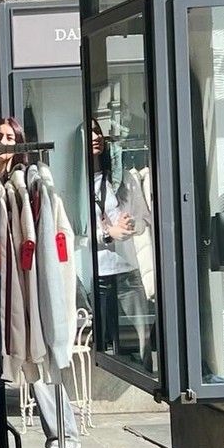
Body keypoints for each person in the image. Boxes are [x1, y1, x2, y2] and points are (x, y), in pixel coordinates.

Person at [0, 117, 81, 448]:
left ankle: (63, 434)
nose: (3, 142)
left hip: (27, 279)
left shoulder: (29, 186)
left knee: (37, 355)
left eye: (10, 137)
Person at [89, 118, 152, 369]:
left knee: (142, 337)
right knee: (99, 344)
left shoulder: (123, 178)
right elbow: (75, 232)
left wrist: (131, 225)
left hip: (127, 268)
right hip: (97, 271)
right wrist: (107, 234)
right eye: (89, 132)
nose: (96, 136)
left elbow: (144, 218)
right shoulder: (78, 184)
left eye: (97, 131)